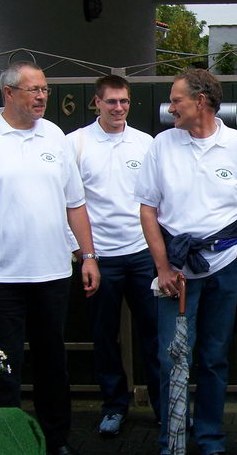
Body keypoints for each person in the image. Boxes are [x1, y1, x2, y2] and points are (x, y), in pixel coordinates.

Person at [0, 61, 100, 455]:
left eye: (45, 90)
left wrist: (88, 256)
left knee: (54, 364)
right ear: (9, 93)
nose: (41, 97)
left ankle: (56, 440)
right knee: (4, 369)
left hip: (51, 274)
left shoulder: (55, 136)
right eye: (33, 90)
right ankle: (10, 444)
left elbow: (76, 204)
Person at [135, 68, 237, 455]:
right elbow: (147, 209)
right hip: (176, 269)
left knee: (213, 357)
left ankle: (210, 436)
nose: (170, 106)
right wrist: (163, 267)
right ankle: (172, 437)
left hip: (226, 265)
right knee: (171, 356)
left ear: (201, 101)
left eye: (176, 99)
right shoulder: (162, 145)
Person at [66, 75, 159, 436]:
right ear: (97, 103)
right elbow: (65, 202)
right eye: (111, 102)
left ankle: (164, 408)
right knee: (104, 336)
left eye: (124, 102)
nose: (118, 108)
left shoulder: (146, 143)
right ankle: (114, 406)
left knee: (155, 335)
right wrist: (81, 252)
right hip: (99, 256)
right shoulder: (75, 143)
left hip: (142, 254)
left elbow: (157, 199)